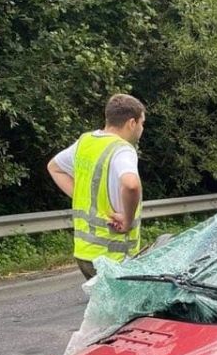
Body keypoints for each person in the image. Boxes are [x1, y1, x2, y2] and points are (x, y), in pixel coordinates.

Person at [47, 93, 145, 279]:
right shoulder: (122, 149)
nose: (142, 129)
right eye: (142, 123)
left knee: (104, 307)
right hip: (113, 254)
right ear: (132, 123)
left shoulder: (86, 142)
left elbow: (54, 168)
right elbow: (131, 185)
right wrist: (127, 219)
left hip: (84, 253)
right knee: (128, 307)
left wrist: (80, 196)